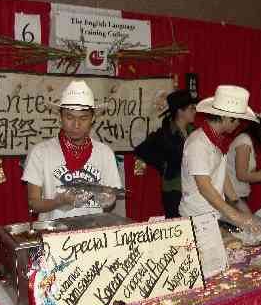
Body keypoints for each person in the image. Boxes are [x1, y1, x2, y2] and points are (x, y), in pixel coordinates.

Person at [22, 80, 122, 221]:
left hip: (92, 234)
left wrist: (107, 198)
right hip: (53, 235)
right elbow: (33, 202)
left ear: (93, 118)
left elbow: (109, 201)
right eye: (70, 117)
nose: (76, 125)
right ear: (60, 117)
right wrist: (59, 201)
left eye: (83, 118)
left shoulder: (105, 153)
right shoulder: (41, 152)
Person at [179, 84, 261, 233]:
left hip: (211, 215)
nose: (238, 124)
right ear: (224, 116)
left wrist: (238, 203)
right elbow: (204, 186)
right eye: (236, 119)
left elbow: (222, 176)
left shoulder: (216, 140)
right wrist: (235, 215)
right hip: (196, 217)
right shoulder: (198, 142)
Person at [134, 89, 198, 218]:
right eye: (191, 108)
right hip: (174, 191)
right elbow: (140, 151)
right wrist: (162, 165)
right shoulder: (164, 133)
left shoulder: (195, 132)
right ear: (180, 111)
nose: (195, 111)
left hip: (193, 190)